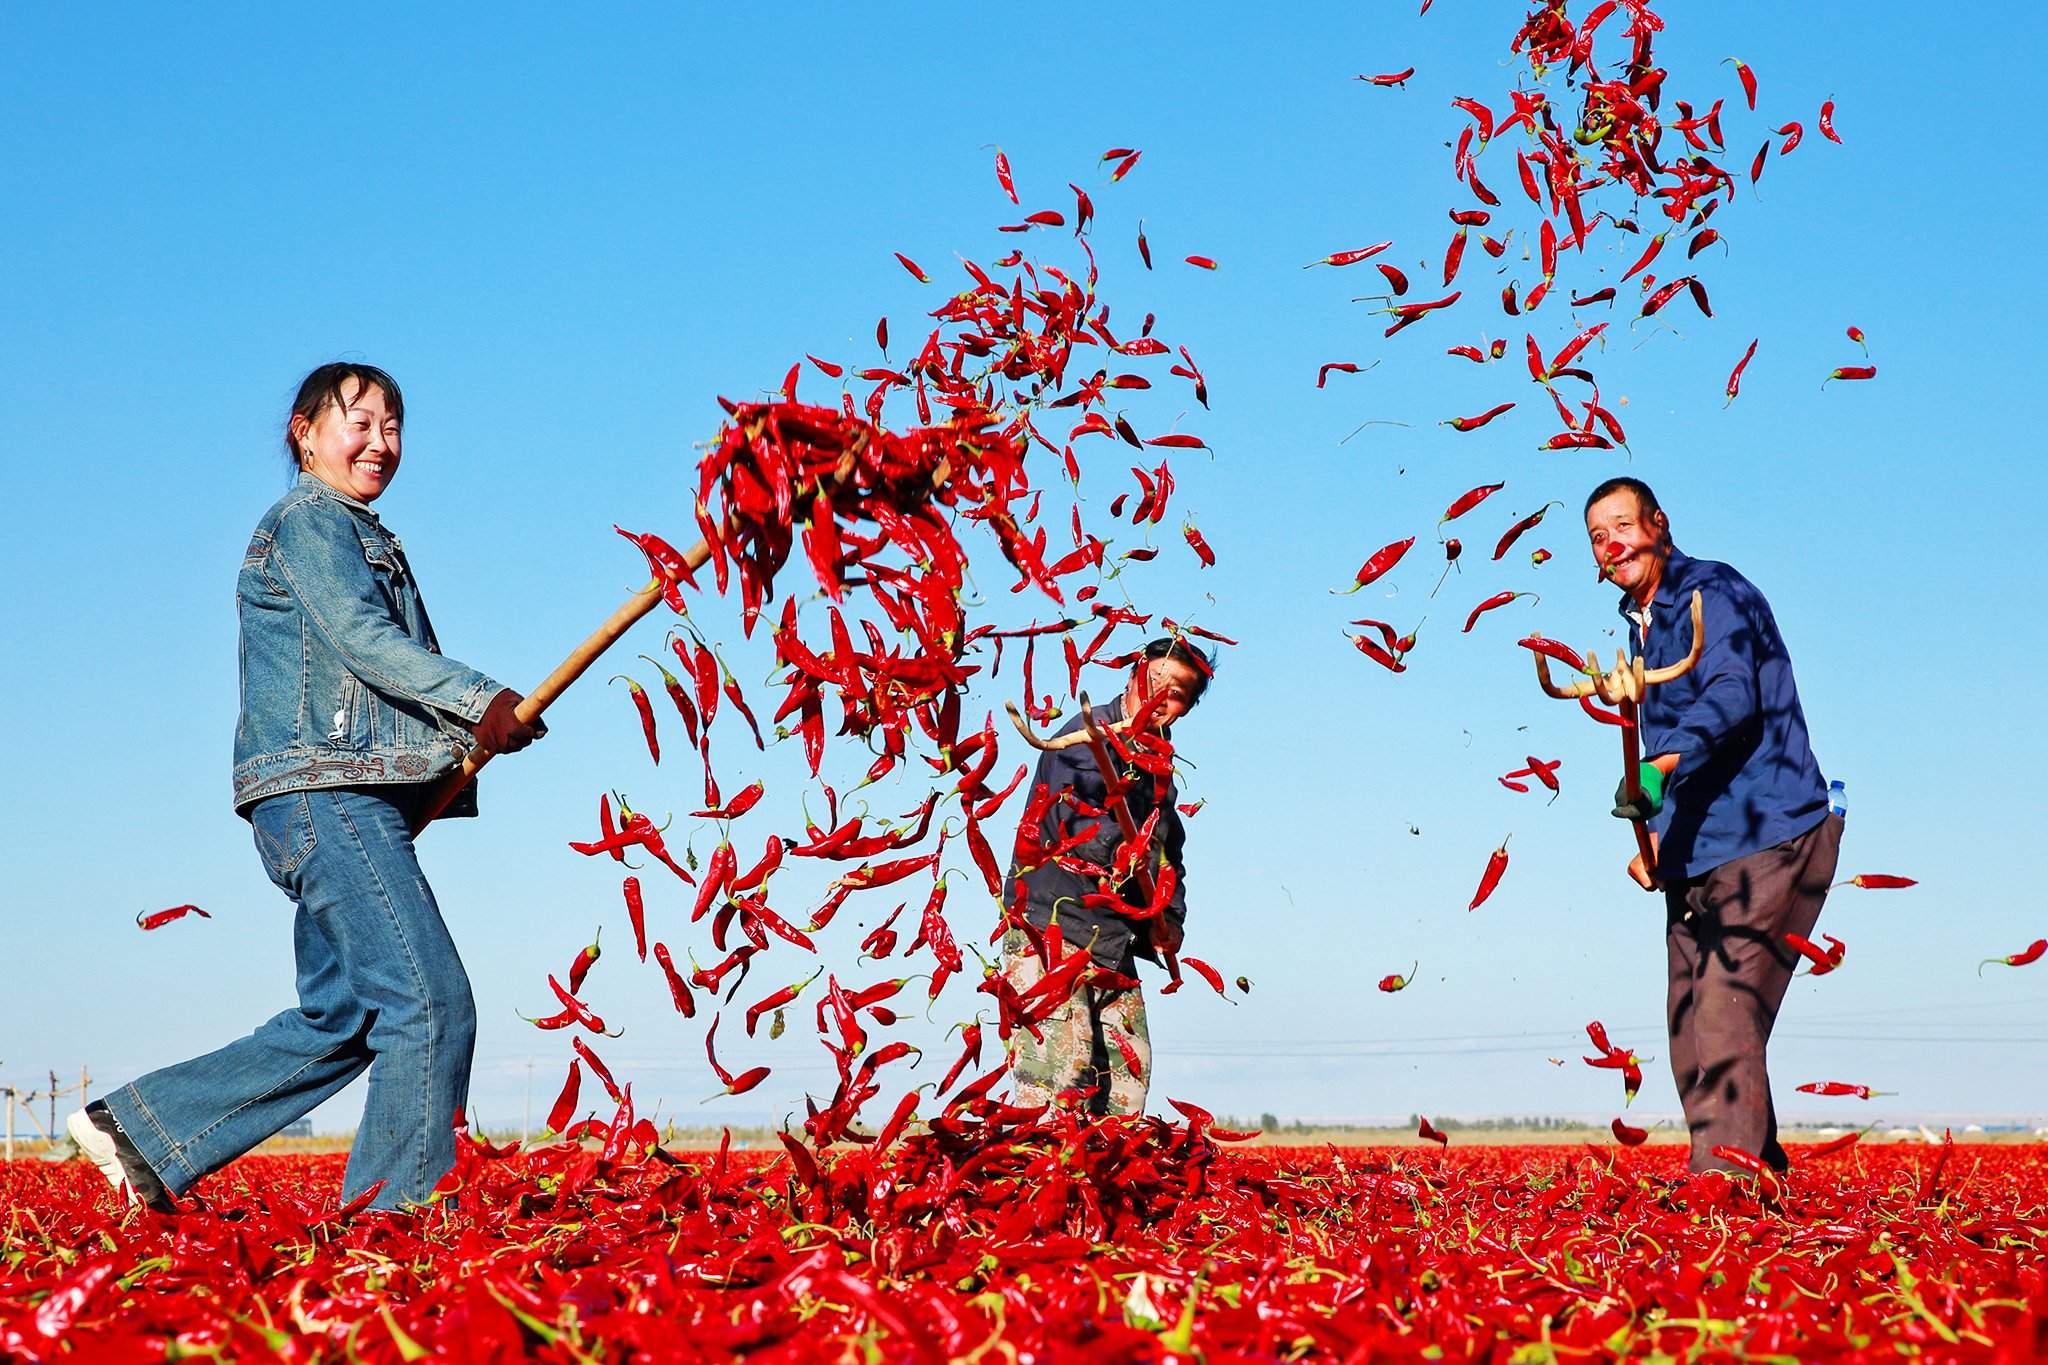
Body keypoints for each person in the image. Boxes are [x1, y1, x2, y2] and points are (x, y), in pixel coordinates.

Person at [67, 363, 544, 1212]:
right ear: (305, 431)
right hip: (328, 795)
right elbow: (362, 638)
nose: (380, 442)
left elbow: (378, 678)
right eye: (359, 421)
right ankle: (391, 1225)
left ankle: (143, 1131)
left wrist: (469, 734)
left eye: (393, 427)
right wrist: (481, 699)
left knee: (347, 1016)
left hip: (334, 798)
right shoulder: (310, 523)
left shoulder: (359, 531)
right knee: (428, 1004)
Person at [1584, 476, 1840, 1176]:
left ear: (1659, 524)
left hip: (1769, 830)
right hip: (1701, 850)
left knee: (1725, 1014)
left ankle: (1722, 1191)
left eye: (1623, 526)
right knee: (1690, 1025)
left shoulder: (1710, 594)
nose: (1613, 545)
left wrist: (1658, 766)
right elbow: (1672, 748)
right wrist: (1658, 839)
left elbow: (1732, 696)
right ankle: (1758, 1175)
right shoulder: (1643, 632)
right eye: (1598, 538)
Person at [999, 638, 1208, 1115]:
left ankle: (1105, 1189)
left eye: (1176, 694)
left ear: (1186, 709)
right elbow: (1086, 826)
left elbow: (1167, 848)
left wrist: (1168, 918)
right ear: (1135, 672)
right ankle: (1043, 1182)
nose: (1160, 697)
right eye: (1156, 681)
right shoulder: (1086, 737)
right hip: (1049, 926)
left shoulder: (1159, 768)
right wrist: (1132, 866)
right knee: (1060, 1077)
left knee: (1127, 1084)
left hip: (1111, 938)